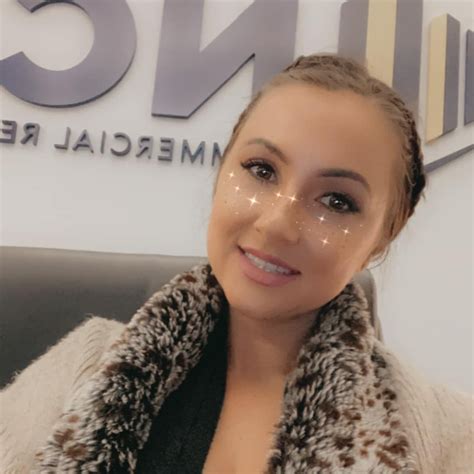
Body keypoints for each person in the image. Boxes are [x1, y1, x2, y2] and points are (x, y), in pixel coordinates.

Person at [0, 54, 472, 474]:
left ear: (381, 239)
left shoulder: (447, 437)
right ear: (222, 171)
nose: (277, 224)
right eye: (261, 170)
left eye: (336, 201)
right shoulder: (84, 371)